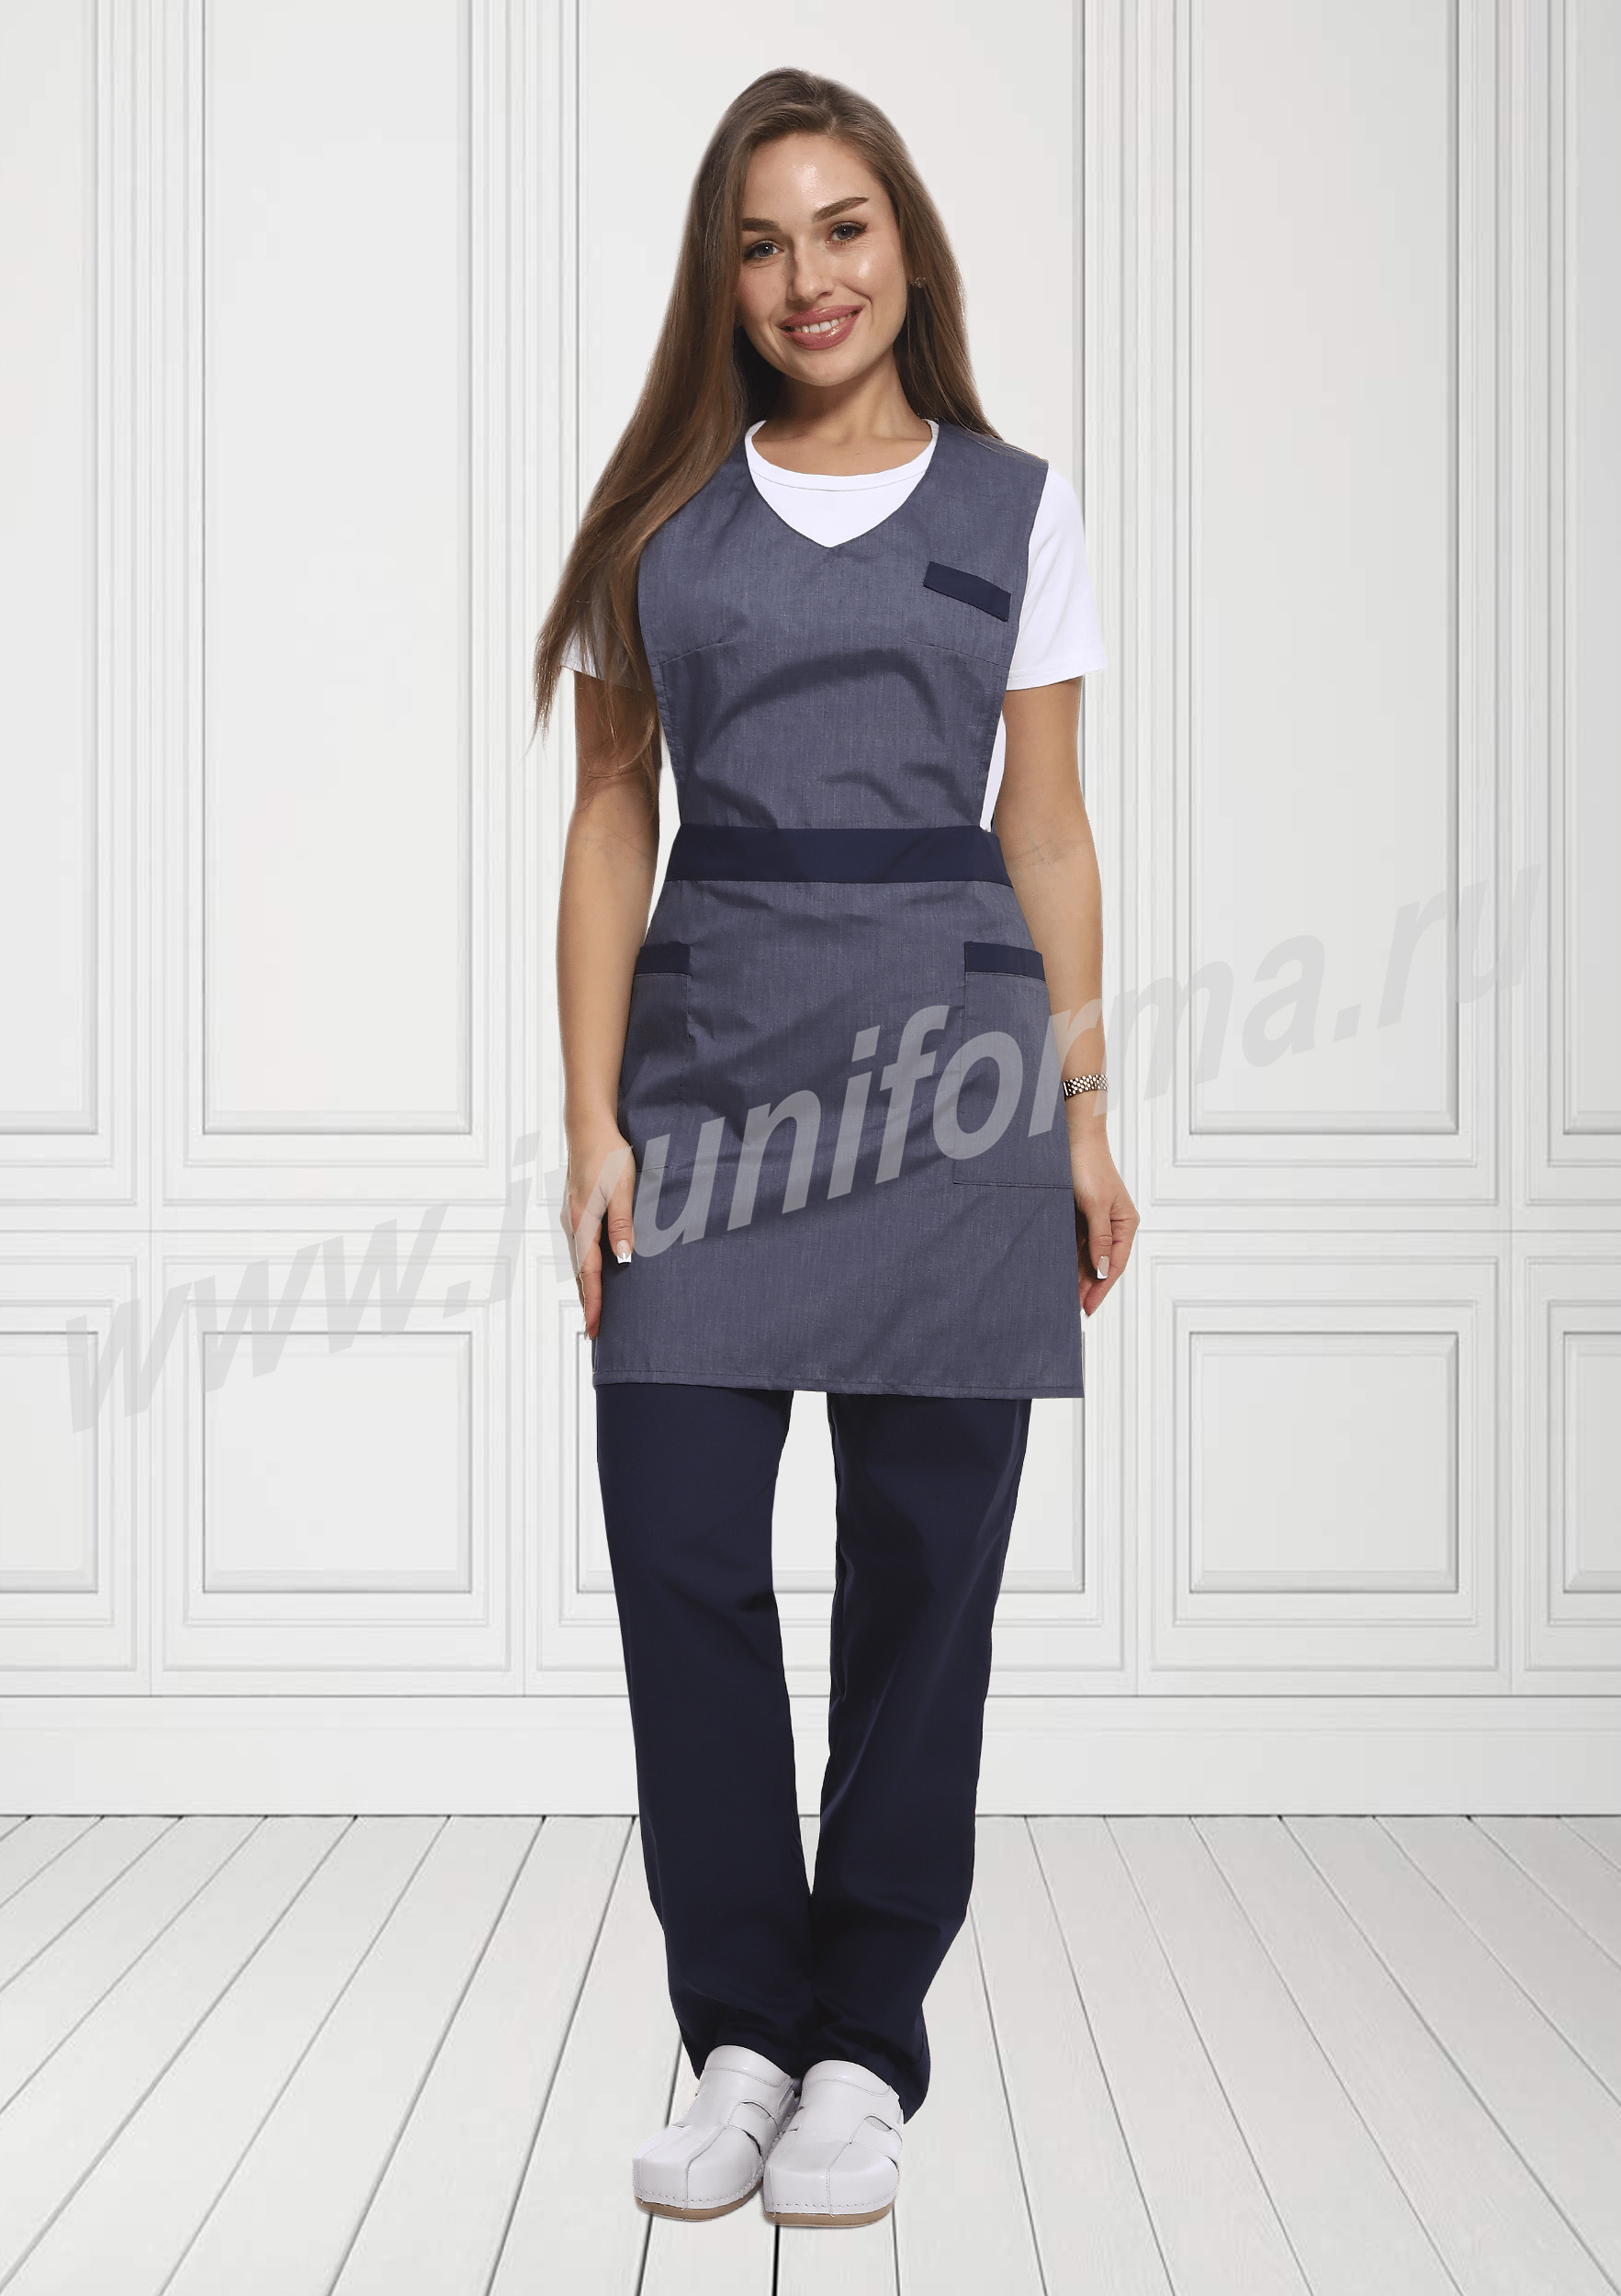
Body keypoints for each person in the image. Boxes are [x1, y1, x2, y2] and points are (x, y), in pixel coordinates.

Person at [534, 65, 1137, 2230]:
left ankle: (864, 2040)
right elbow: (611, 820)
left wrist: (1085, 1113)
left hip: (958, 1096)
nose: (810, 276)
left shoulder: (1017, 508)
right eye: (763, 241)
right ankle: (740, 2028)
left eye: (845, 227)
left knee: (922, 1578)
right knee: (681, 1552)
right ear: (723, 279)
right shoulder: (659, 522)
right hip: (706, 1085)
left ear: (907, 247)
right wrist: (589, 1120)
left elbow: (1043, 827)